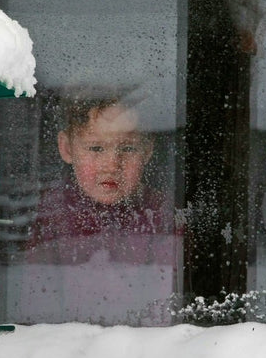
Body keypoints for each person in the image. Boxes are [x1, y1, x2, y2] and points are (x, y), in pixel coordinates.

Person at [26, 91, 175, 265]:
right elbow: (37, 278)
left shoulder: (163, 213)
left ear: (147, 151)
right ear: (67, 148)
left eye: (128, 149)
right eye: (96, 148)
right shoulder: (52, 212)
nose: (111, 165)